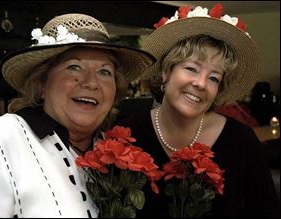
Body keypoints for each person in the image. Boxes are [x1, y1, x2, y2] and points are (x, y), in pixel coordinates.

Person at [0, 13, 155, 217]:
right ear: (42, 83)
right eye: (74, 67)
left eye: (104, 72)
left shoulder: (116, 156)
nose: (91, 82)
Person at [115, 3, 279, 218]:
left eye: (213, 78)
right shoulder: (127, 135)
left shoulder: (242, 142)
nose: (201, 83)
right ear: (166, 72)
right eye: (191, 68)